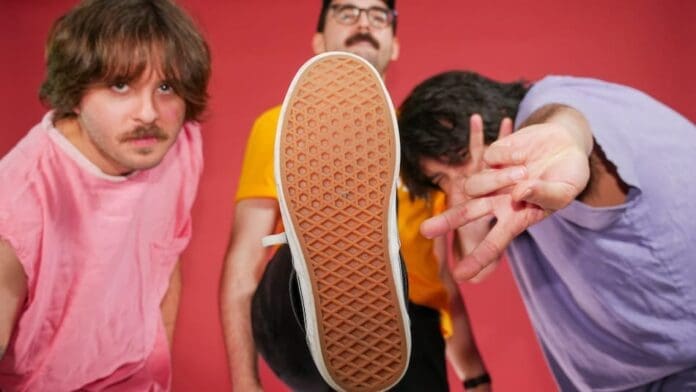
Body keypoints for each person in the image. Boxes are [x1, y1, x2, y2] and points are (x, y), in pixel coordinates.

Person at [219, 1, 490, 391]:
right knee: (296, 263)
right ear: (318, 39)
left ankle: (370, 288)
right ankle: (329, 275)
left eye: (378, 15)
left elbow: (442, 272)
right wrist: (244, 383)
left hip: (414, 332)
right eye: (347, 12)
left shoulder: (422, 143)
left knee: (406, 292)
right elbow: (244, 260)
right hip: (305, 316)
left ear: (394, 44)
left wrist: (475, 374)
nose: (363, 22)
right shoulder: (278, 127)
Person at [398, 70, 696, 391]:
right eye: (441, 179)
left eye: (458, 157)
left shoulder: (545, 107)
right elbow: (476, 265)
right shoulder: (509, 193)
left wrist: (564, 136)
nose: (459, 181)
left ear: (491, 117)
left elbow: (564, 122)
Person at [0, 0, 210, 390]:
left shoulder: (177, 145)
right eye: (120, 85)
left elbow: (163, 257)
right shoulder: (17, 202)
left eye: (166, 87)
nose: (148, 113)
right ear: (75, 93)